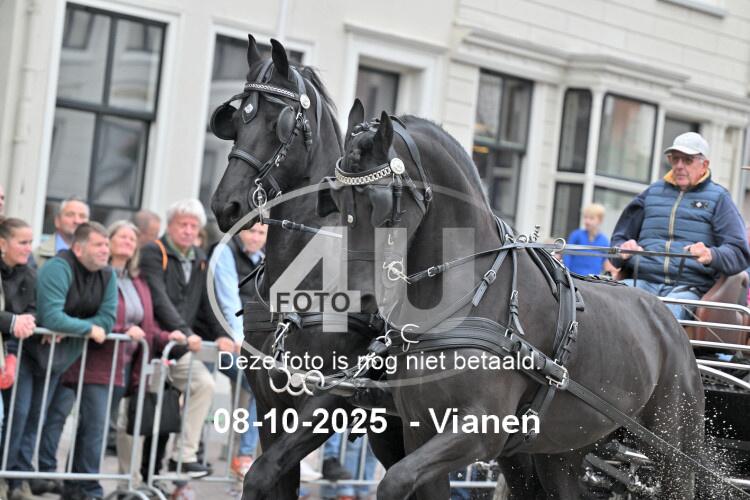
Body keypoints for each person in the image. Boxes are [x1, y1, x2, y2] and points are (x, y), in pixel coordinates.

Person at [139, 199, 234, 478]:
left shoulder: (200, 258)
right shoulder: (154, 252)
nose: (189, 230)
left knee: (180, 403)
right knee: (145, 418)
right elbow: (158, 298)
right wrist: (186, 332)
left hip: (178, 348)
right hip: (153, 343)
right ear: (170, 226)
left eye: (194, 226)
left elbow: (208, 303)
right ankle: (139, 478)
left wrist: (222, 334)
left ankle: (180, 458)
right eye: (183, 224)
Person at [611, 132, 750, 319]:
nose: (679, 166)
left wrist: (711, 254)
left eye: (687, 160)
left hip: (688, 289)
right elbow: (616, 244)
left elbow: (739, 253)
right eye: (675, 159)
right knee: (604, 303)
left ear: (704, 165)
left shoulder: (719, 199)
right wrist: (622, 249)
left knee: (663, 317)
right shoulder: (651, 193)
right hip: (641, 282)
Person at [26, 222, 117, 499]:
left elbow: (107, 321)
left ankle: (47, 478)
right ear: (78, 248)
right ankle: (17, 480)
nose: (105, 250)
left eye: (106, 244)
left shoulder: (108, 274)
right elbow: (51, 317)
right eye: (98, 245)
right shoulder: (59, 267)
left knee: (58, 419)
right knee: (28, 418)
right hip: (35, 356)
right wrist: (87, 329)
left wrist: (70, 328)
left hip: (70, 359)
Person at [212, 223, 267, 478]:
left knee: (265, 389)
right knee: (260, 387)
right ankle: (244, 457)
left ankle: (256, 463)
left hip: (251, 346)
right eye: (251, 231)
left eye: (261, 233)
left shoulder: (265, 259)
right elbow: (229, 300)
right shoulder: (225, 251)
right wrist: (240, 339)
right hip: (223, 341)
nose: (255, 237)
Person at [0, 218, 38, 500]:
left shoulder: (29, 273)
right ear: (3, 243)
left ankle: (7, 478)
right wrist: (14, 322)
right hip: (7, 345)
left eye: (30, 242)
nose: (28, 248)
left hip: (15, 351)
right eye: (22, 242)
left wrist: (26, 322)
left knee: (17, 416)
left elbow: (33, 310)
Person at [33, 197, 89, 268]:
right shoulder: (36, 256)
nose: (77, 221)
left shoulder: (97, 257)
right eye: (70, 215)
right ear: (57, 221)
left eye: (82, 216)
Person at [562, 203, 614, 275]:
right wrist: (567, 273)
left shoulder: (604, 241)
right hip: (574, 277)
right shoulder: (576, 235)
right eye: (585, 217)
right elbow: (567, 255)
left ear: (600, 220)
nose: (587, 221)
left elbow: (606, 262)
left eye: (591, 218)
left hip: (592, 279)